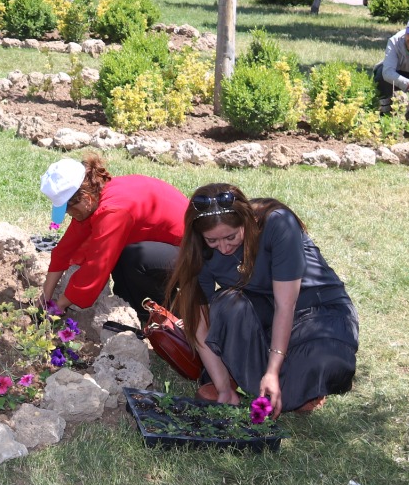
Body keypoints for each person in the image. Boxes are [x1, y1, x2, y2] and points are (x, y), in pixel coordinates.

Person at [165, 184, 358, 414]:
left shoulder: (278, 222)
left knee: (326, 359)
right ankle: (247, 382)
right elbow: (200, 321)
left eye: (230, 237)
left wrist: (273, 372)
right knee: (224, 305)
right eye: (212, 241)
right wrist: (223, 388)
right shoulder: (198, 249)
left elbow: (285, 305)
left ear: (246, 222)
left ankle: (290, 383)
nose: (223, 248)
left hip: (316, 311)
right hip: (262, 313)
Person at [38, 155, 187, 319]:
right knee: (124, 264)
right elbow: (66, 249)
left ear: (86, 199)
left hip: (194, 255)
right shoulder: (96, 197)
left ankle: (172, 314)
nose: (68, 214)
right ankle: (135, 311)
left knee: (129, 259)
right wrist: (45, 297)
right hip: (169, 249)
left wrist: (59, 306)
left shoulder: (113, 211)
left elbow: (97, 266)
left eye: (68, 209)